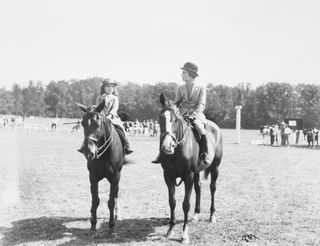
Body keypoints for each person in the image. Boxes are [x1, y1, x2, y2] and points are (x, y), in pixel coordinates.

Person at [152, 62, 210, 164]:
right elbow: (177, 104)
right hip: (182, 115)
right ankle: (161, 154)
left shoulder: (201, 88)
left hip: (196, 115)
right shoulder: (180, 88)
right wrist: (175, 113)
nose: (181, 75)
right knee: (167, 129)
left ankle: (204, 153)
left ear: (191, 75)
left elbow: (201, 104)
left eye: (184, 73)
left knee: (199, 127)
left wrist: (194, 115)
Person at [78, 79, 133, 155]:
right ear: (103, 88)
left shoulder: (115, 98)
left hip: (113, 118)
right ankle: (84, 144)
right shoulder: (99, 98)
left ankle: (127, 145)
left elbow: (115, 108)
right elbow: (98, 109)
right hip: (101, 117)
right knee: (91, 129)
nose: (110, 88)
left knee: (122, 128)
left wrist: (110, 115)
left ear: (114, 88)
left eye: (112, 87)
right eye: (108, 86)